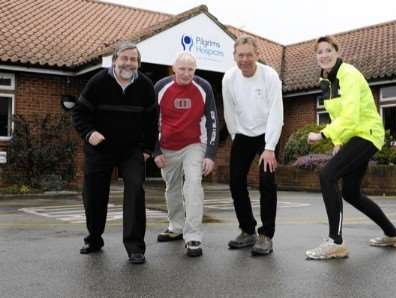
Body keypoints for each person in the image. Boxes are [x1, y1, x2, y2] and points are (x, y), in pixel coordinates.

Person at [305, 36, 396, 260]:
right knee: (350, 192)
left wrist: (323, 134)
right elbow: (336, 115)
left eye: (328, 50)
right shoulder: (326, 81)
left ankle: (335, 242)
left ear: (337, 51)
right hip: (353, 136)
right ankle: (394, 234)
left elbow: (350, 116)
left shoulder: (348, 74)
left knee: (327, 175)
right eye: (319, 52)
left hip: (367, 133)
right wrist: (337, 142)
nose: (324, 55)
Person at [72, 41, 158, 264]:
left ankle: (135, 247)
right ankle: (94, 238)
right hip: (100, 147)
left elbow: (151, 121)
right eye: (125, 58)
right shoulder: (98, 81)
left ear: (138, 63)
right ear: (115, 60)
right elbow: (79, 114)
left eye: (133, 59)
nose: (129, 63)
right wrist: (89, 132)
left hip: (131, 150)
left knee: (135, 191)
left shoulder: (146, 86)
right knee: (94, 193)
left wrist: (147, 149)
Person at [222, 35, 284, 256]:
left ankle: (266, 235)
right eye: (241, 55)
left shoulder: (270, 76)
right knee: (235, 182)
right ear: (234, 57)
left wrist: (269, 147)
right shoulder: (229, 78)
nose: (245, 59)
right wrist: (235, 136)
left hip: (267, 133)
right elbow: (229, 112)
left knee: (267, 182)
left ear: (257, 55)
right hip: (243, 134)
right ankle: (247, 230)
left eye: (249, 55)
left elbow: (277, 112)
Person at [153, 52, 218, 257]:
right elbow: (149, 121)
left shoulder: (204, 87)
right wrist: (155, 150)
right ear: (174, 68)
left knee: (193, 186)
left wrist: (210, 154)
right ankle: (176, 227)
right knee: (172, 188)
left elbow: (212, 121)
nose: (186, 73)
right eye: (182, 68)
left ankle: (193, 237)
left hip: (193, 145)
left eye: (191, 69)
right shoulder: (161, 87)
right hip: (167, 146)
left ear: (195, 70)